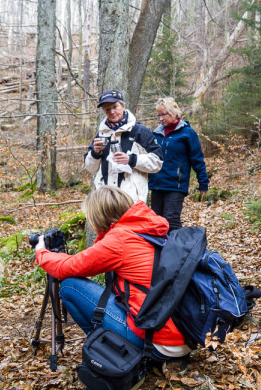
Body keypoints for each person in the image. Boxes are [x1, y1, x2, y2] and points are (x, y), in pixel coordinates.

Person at [35, 185, 191, 360]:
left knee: (70, 286)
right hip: (183, 337)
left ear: (97, 217)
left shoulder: (119, 239)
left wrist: (41, 251)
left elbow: (66, 267)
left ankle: (110, 352)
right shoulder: (148, 229)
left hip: (158, 343)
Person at [84, 90, 163, 203]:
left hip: (132, 199)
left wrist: (132, 159)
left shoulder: (140, 131)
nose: (112, 112)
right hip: (105, 199)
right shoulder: (102, 134)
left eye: (115, 107)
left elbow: (157, 163)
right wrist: (95, 153)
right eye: (107, 109)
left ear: (123, 106)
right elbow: (90, 168)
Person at [148, 98, 209, 232]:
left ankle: (178, 251)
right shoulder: (156, 133)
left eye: (164, 114)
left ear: (174, 113)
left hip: (176, 185)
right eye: (159, 115)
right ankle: (159, 252)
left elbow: (197, 159)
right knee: (156, 222)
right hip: (157, 184)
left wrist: (203, 182)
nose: (161, 118)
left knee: (171, 221)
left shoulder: (187, 133)